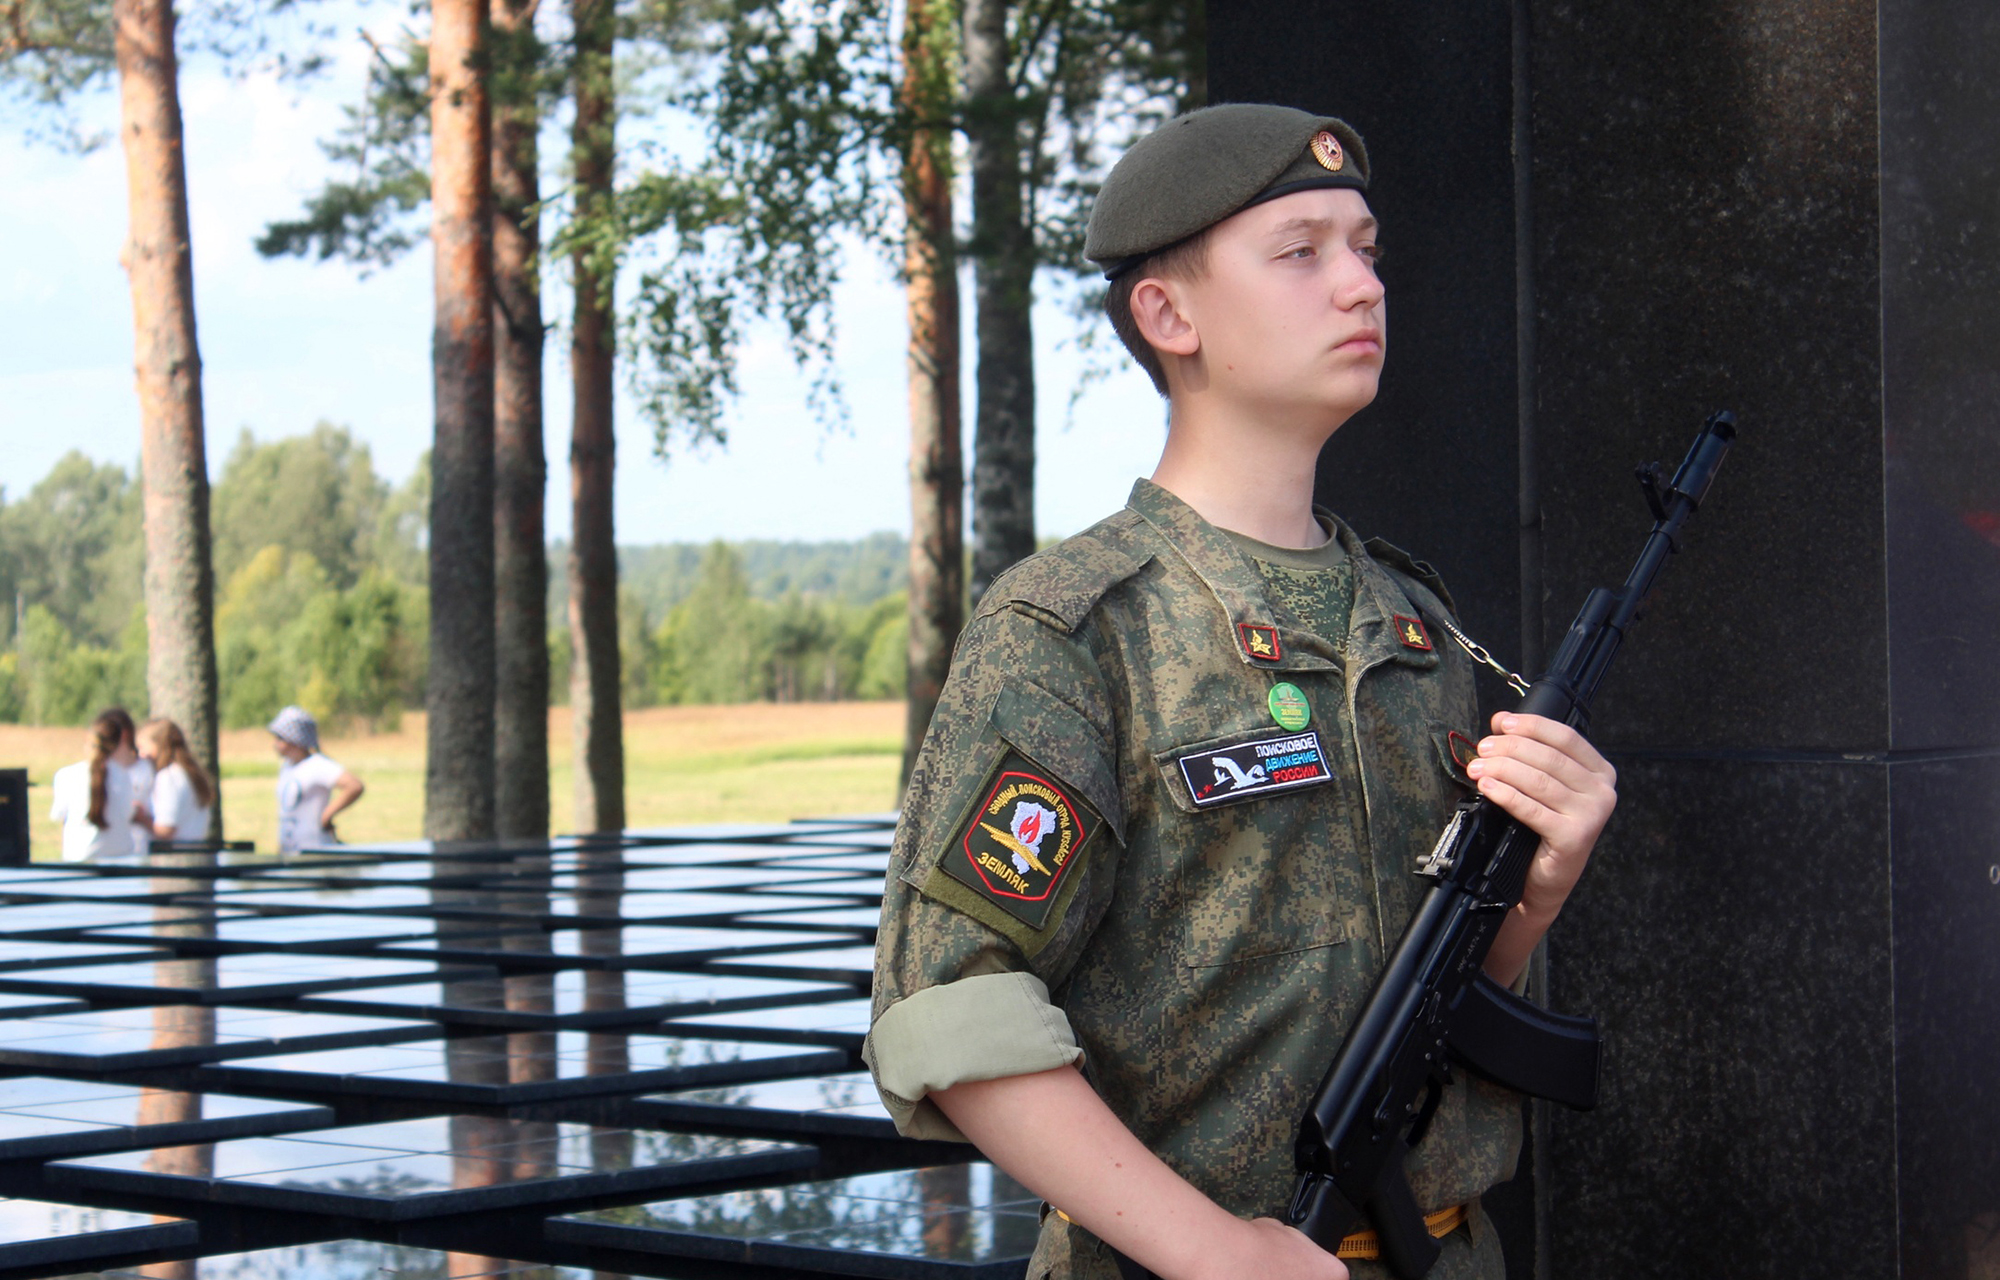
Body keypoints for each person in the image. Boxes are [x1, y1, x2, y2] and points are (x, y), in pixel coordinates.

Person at [863, 104, 1620, 1280]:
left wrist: (1535, 889)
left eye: (1366, 249)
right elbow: (949, 1007)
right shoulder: (1076, 628)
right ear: (1169, 316)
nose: (1359, 286)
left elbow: (1440, 1011)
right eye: (1300, 251)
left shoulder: (1412, 623)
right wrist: (1215, 1252)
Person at [48, 708, 143, 862]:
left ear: (88, 743)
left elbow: (60, 817)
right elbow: (128, 815)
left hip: (80, 857)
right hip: (122, 857)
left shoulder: (67, 775)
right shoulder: (125, 776)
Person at [267, 705, 364, 853]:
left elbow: (354, 786)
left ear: (295, 738)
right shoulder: (286, 767)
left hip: (316, 850)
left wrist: (327, 815)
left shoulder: (318, 764)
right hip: (291, 851)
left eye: (280, 738)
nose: (275, 743)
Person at [136, 718, 215, 847]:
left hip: (174, 859)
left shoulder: (169, 778)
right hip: (195, 854)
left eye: (142, 747)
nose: (141, 754)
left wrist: (140, 817)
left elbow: (166, 831)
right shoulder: (190, 773)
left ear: (159, 745)